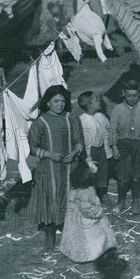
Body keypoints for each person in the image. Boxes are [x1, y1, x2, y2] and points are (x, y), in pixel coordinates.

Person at [27, 85, 85, 255]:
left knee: (68, 201)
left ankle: (70, 236)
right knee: (51, 202)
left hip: (68, 170)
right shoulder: (41, 122)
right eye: (56, 101)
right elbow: (32, 146)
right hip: (48, 170)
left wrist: (74, 153)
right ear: (47, 102)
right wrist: (49, 154)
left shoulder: (71, 119)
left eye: (63, 101)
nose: (60, 104)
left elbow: (79, 141)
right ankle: (50, 238)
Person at [109, 80, 140, 215]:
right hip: (122, 145)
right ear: (123, 94)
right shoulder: (117, 109)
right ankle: (121, 201)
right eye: (129, 95)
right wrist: (114, 146)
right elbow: (112, 129)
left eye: (135, 95)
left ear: (139, 94)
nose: (132, 98)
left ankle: (136, 201)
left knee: (137, 175)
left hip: (138, 144)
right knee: (123, 175)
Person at [60, 160, 118, 263]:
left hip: (75, 219)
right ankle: (94, 252)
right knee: (92, 236)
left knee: (76, 237)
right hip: (86, 221)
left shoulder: (75, 189)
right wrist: (99, 211)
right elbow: (88, 211)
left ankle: (73, 250)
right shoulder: (84, 193)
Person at [78, 91, 113, 203]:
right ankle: (91, 195)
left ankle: (102, 193)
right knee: (91, 172)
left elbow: (106, 132)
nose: (100, 102)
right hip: (90, 151)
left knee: (103, 171)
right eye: (97, 100)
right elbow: (85, 143)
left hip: (101, 148)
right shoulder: (84, 121)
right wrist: (88, 159)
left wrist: (107, 151)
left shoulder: (101, 116)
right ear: (90, 105)